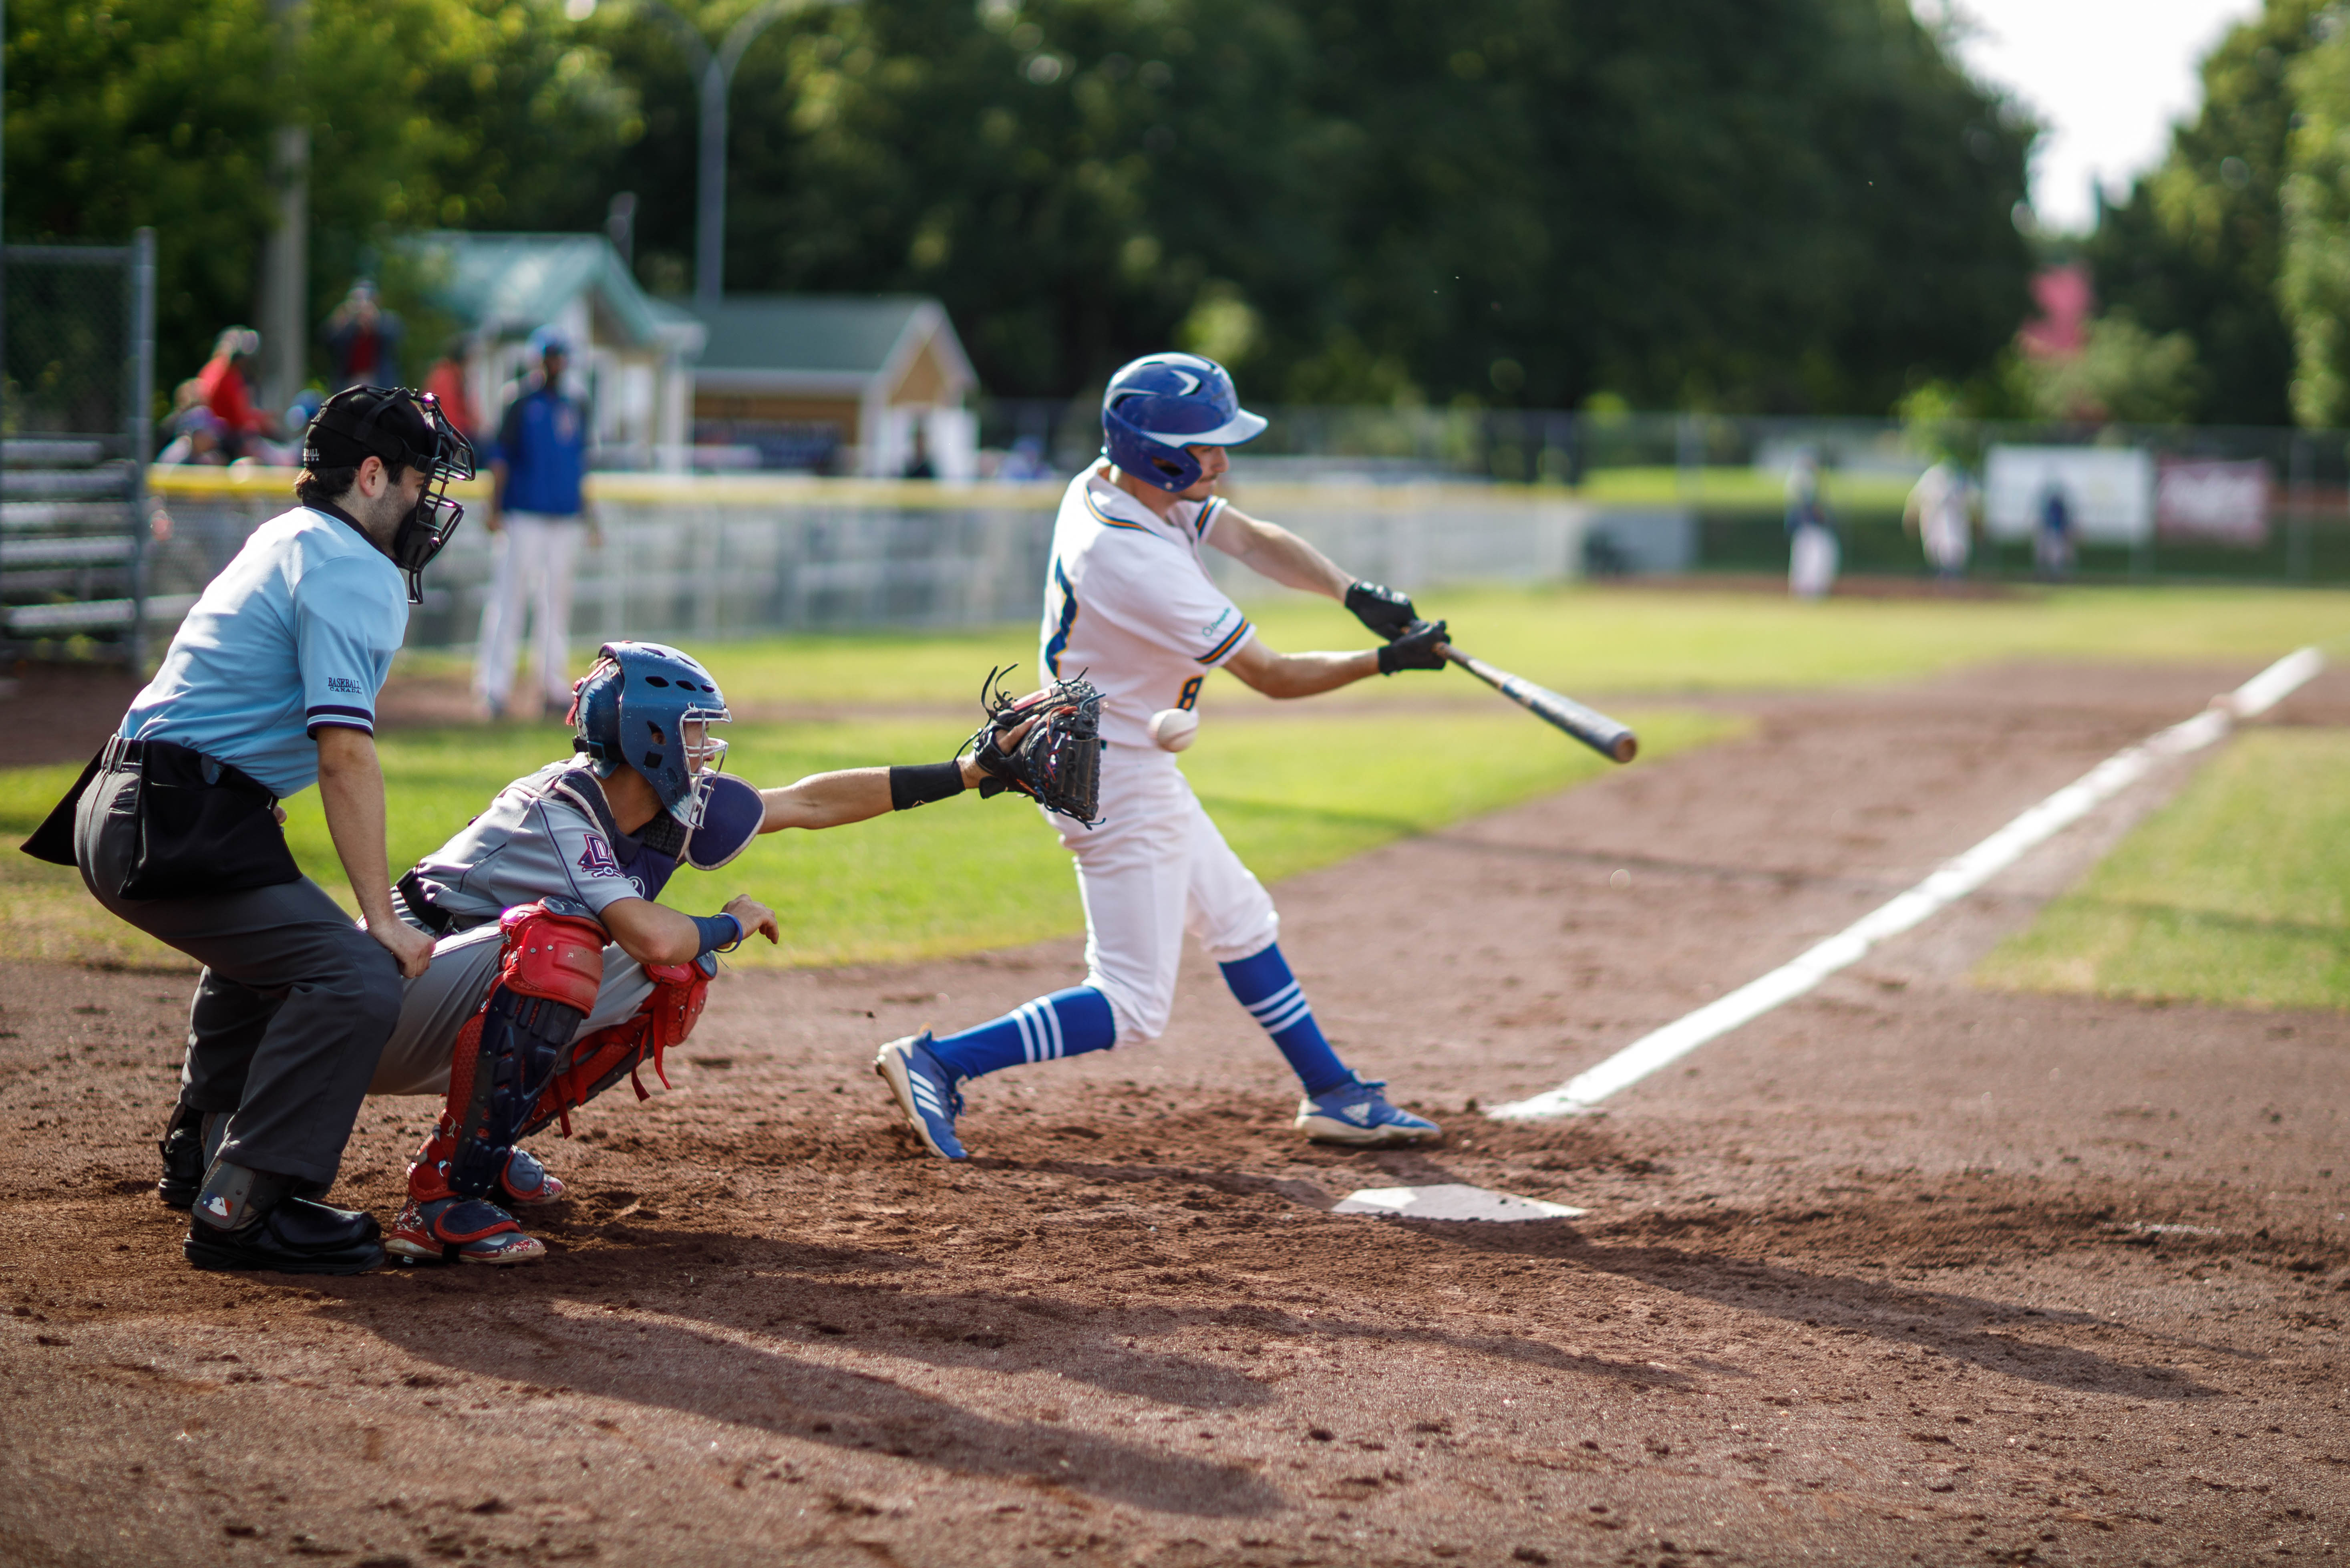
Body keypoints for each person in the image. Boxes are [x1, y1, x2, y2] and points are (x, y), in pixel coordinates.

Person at [872, 351, 1454, 1162]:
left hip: (1121, 749)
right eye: (1207, 447)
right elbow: (1274, 676)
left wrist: (1352, 594)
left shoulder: (1117, 484)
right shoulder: (1131, 557)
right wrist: (1385, 662)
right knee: (1132, 1002)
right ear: (1162, 455)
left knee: (1239, 919)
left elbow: (1247, 537)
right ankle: (938, 1061)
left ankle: (1332, 1093)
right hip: (1108, 771)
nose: (1222, 462)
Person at [367, 641, 1030, 1264]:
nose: (704, 744)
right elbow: (652, 934)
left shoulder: (661, 804)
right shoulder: (557, 809)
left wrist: (965, 773)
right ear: (647, 737)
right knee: (568, 945)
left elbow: (808, 801)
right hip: (381, 1002)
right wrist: (728, 924)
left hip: (450, 998)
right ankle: (440, 1201)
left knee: (672, 975)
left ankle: (482, 1151)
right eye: (692, 729)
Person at [19, 385, 476, 1274]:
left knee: (273, 955)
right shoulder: (348, 563)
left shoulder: (289, 535)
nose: (427, 502)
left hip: (130, 805)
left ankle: (201, 1150)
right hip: (171, 815)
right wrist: (382, 920)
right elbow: (345, 755)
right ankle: (247, 1205)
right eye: (418, 479)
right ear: (371, 474)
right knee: (353, 974)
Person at [473, 329, 594, 720]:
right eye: (549, 357)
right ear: (537, 361)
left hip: (564, 516)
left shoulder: (575, 404)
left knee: (556, 603)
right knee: (509, 599)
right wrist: (494, 506)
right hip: (523, 514)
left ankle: (552, 685)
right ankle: (494, 687)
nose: (555, 365)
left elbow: (580, 465)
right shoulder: (519, 401)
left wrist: (590, 515)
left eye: (560, 358)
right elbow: (501, 459)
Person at [194, 328, 280, 462]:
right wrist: (263, 419)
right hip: (224, 436)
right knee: (274, 453)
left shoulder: (213, 369)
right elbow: (240, 418)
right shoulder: (226, 375)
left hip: (218, 432)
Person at [323, 280, 405, 392]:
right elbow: (328, 340)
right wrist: (342, 321)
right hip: (349, 382)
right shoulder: (347, 324)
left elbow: (395, 337)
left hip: (378, 382)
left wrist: (375, 320)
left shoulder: (386, 320)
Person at [1904, 460, 1974, 581]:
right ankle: (1943, 574)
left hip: (1952, 518)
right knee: (1935, 546)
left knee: (1953, 545)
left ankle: (1951, 574)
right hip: (1933, 517)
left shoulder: (1959, 479)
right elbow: (1915, 498)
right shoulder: (1931, 478)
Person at [1785, 449, 1839, 600]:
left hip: (1813, 531)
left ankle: (1812, 594)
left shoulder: (1808, 481)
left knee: (1817, 564)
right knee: (1808, 565)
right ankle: (1806, 595)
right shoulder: (1800, 480)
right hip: (1808, 530)